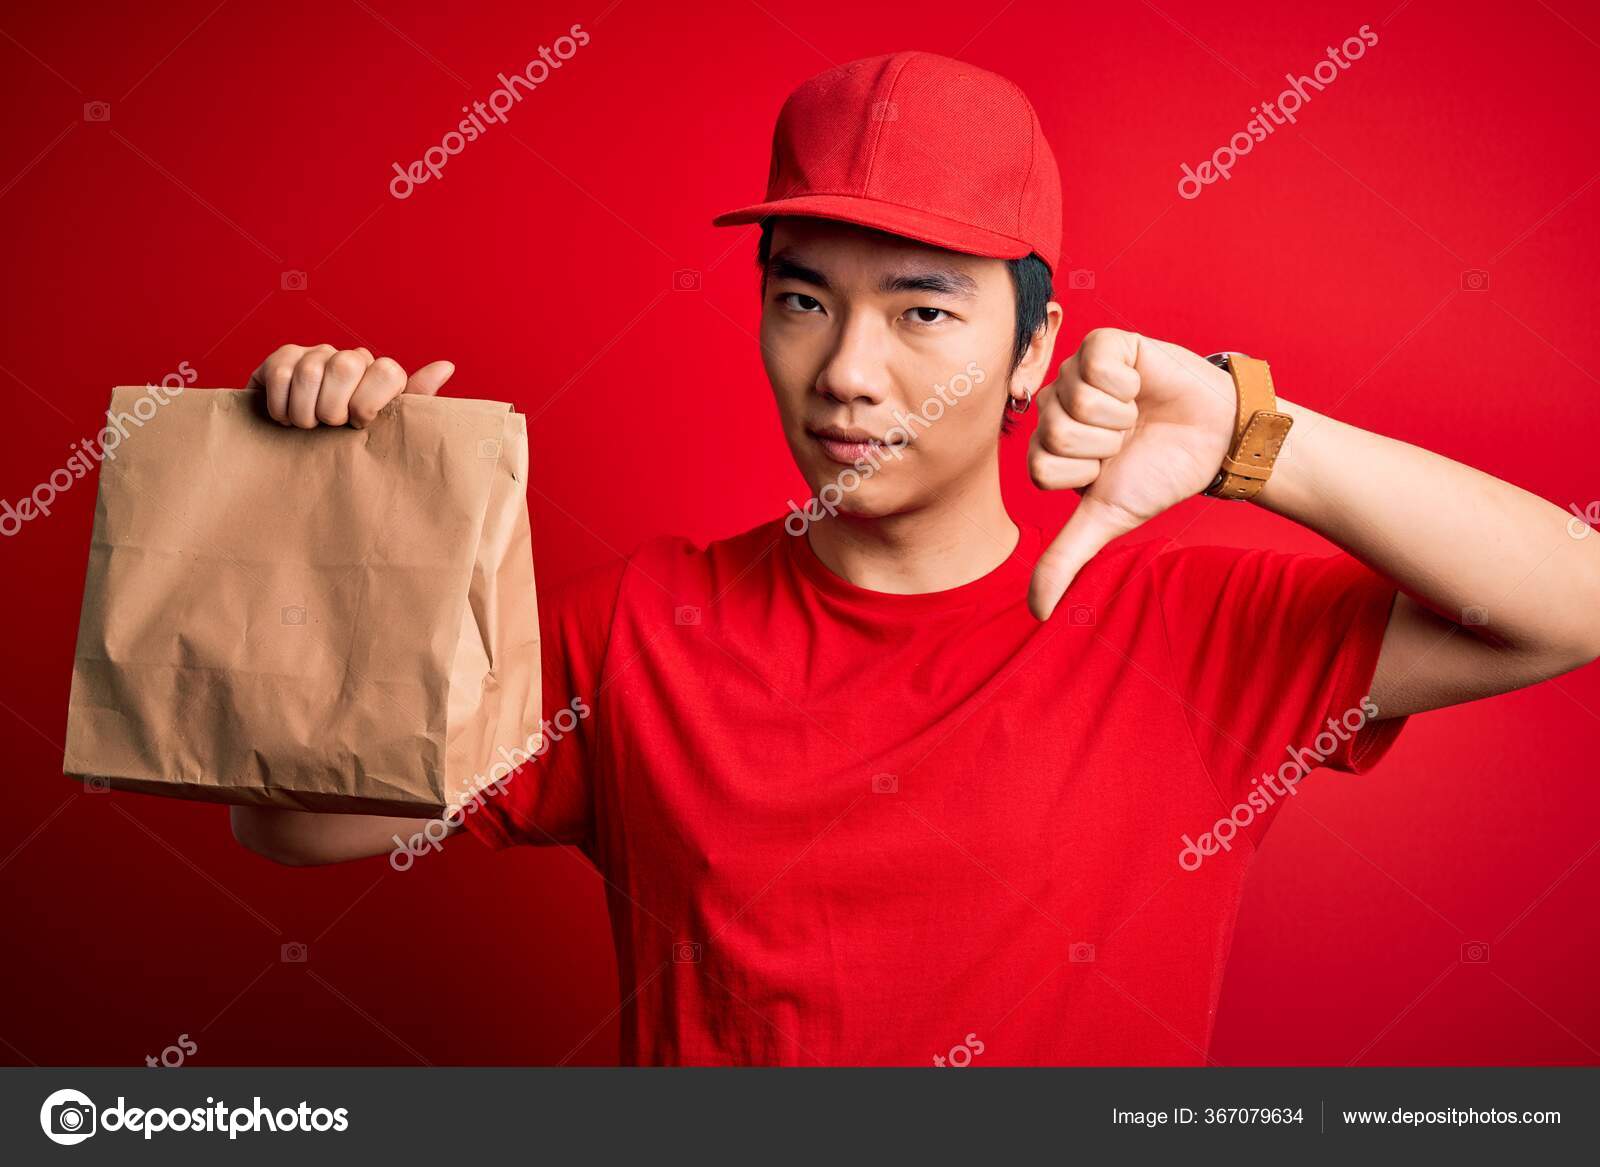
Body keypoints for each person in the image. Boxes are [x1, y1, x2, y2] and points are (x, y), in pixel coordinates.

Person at [229, 52, 1600, 1065]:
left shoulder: (1188, 628)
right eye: (804, 300)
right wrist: (334, 504)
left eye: (924, 309)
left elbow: (1570, 604)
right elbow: (295, 819)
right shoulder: (643, 624)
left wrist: (1259, 436)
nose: (848, 373)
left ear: (1032, 353)